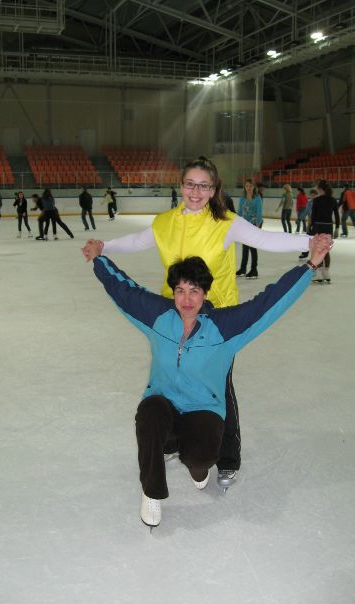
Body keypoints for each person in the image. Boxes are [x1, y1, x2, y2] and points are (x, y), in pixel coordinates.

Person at [87, 156, 312, 490]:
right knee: (170, 379)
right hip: (175, 313)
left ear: (213, 189)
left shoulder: (226, 223)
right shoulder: (165, 222)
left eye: (203, 186)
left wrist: (310, 242)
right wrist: (104, 246)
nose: (195, 192)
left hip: (216, 320)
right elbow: (137, 241)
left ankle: (228, 457)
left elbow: (266, 240)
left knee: (219, 387)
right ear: (181, 186)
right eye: (190, 184)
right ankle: (175, 437)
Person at [82, 235, 332, 527]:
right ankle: (151, 492)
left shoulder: (224, 327)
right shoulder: (159, 316)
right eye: (180, 291)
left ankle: (197, 469)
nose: (186, 300)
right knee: (149, 413)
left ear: (204, 293)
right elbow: (122, 289)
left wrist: (310, 265)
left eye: (194, 291)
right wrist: (98, 258)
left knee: (200, 458)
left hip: (203, 408)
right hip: (163, 403)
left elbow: (270, 302)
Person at [310, 179, 340, 283]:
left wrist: (311, 227)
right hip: (328, 227)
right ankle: (326, 274)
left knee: (317, 250)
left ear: (320, 189)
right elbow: (336, 215)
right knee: (325, 250)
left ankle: (318, 274)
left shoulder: (316, 200)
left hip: (318, 226)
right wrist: (337, 228)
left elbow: (313, 216)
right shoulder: (333, 200)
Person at [236, 179, 263, 279]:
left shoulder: (257, 198)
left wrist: (257, 226)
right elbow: (239, 211)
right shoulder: (242, 198)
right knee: (245, 248)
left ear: (254, 187)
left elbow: (259, 212)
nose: (248, 188)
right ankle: (243, 269)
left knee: (252, 247)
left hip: (255, 224)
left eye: (250, 186)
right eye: (247, 186)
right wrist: (237, 223)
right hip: (245, 225)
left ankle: (254, 270)